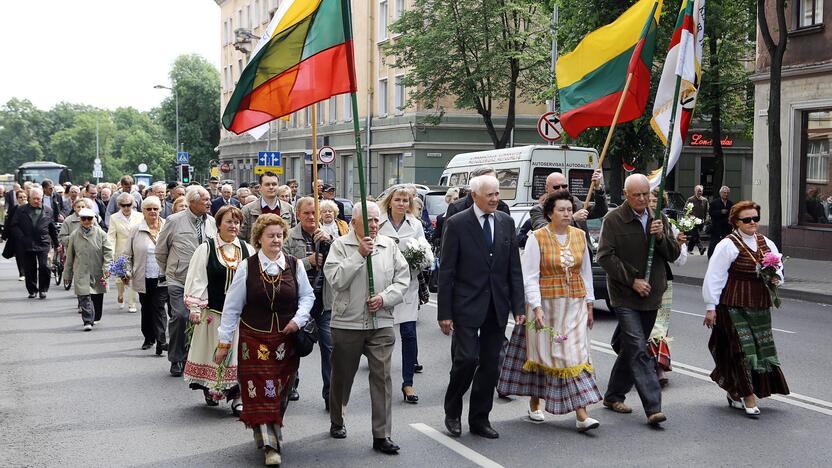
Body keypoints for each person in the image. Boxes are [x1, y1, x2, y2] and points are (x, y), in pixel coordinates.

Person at [214, 214, 314, 466]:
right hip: (253, 340)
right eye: (271, 236)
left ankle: (269, 431)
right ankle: (270, 444)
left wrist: (298, 320)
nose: (276, 240)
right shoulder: (247, 267)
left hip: (285, 340)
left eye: (280, 235)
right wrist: (224, 343)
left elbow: (307, 297)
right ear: (259, 238)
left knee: (281, 392)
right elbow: (232, 307)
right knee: (259, 393)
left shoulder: (294, 265)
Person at [497, 190, 601, 431]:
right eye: (561, 210)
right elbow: (530, 276)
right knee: (543, 356)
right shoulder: (537, 237)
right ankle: (535, 403)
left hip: (574, 304)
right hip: (546, 307)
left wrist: (590, 303)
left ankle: (582, 414)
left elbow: (585, 272)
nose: (567, 214)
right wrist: (536, 307)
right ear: (549, 214)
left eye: (569, 209)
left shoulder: (579, 236)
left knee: (573, 356)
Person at [438, 175, 525, 439]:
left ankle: (479, 419)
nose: (496, 199)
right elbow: (447, 271)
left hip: (497, 305)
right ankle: (452, 411)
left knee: (490, 365)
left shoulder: (506, 222)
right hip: (466, 304)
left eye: (498, 194)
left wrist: (518, 306)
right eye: (490, 195)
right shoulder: (456, 224)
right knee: (466, 359)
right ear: (475, 196)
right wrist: (444, 313)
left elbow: (513, 268)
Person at [323, 202, 410, 454]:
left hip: (380, 321)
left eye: (376, 221)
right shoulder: (340, 246)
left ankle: (382, 434)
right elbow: (337, 280)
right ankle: (337, 419)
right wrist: (359, 255)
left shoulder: (389, 245)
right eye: (369, 221)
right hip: (347, 323)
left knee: (382, 377)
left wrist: (385, 298)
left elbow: (402, 280)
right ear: (353, 223)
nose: (374, 226)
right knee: (342, 376)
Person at [595, 174, 680, 426]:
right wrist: (632, 280)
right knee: (639, 348)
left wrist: (662, 237)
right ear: (625, 194)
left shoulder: (659, 218)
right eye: (637, 195)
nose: (643, 199)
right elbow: (604, 256)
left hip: (652, 295)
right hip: (625, 296)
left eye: (646, 194)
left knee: (630, 348)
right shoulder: (613, 220)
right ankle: (653, 407)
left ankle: (612, 396)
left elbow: (673, 255)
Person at [702, 200, 789, 417]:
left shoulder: (766, 242)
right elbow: (714, 277)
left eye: (755, 219)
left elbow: (778, 268)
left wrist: (776, 278)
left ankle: (735, 391)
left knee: (759, 349)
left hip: (758, 304)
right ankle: (748, 396)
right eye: (746, 219)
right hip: (732, 304)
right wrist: (711, 307)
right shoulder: (727, 245)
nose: (752, 223)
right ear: (735, 222)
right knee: (741, 350)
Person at [183, 205, 253, 413]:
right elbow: (197, 278)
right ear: (219, 225)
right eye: (229, 222)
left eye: (236, 222)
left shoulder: (247, 249)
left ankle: (237, 396)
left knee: (239, 356)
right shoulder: (207, 248)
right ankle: (210, 388)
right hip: (215, 312)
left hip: (241, 316)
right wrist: (195, 307)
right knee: (214, 355)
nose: (233, 226)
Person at [156, 186, 217, 377]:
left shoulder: (212, 222)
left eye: (209, 199)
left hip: (203, 282)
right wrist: (171, 271)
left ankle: (196, 357)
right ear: (192, 202)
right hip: (178, 279)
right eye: (205, 200)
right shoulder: (174, 221)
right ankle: (176, 358)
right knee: (181, 316)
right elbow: (160, 251)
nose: (209, 203)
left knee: (204, 320)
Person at [377, 185, 427, 404]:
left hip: (408, 285)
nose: (401, 204)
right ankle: (380, 380)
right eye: (398, 199)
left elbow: (424, 250)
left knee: (408, 333)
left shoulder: (416, 225)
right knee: (382, 338)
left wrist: (418, 261)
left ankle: (407, 383)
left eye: (405, 200)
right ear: (390, 201)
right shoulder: (377, 222)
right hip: (383, 287)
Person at [284, 197, 335, 408]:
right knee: (293, 346)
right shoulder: (288, 237)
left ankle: (330, 395)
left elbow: (343, 264)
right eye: (306, 213)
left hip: (324, 301)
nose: (311, 217)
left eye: (315, 213)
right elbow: (283, 268)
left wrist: (330, 243)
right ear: (298, 214)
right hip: (298, 303)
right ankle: (290, 384)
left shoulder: (331, 235)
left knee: (330, 348)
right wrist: (308, 262)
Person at [646, 189, 688, 388]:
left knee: (660, 327)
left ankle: (659, 367)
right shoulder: (639, 222)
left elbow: (679, 261)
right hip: (642, 280)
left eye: (656, 200)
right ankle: (643, 366)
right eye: (650, 200)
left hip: (663, 280)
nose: (653, 203)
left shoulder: (668, 224)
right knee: (645, 327)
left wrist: (678, 244)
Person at [123, 196, 168, 355]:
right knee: (147, 309)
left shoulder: (167, 226)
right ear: (143, 211)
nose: (152, 212)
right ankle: (149, 337)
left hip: (163, 277)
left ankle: (161, 341)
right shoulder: (136, 230)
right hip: (143, 276)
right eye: (148, 209)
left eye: (155, 208)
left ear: (160, 209)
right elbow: (127, 254)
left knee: (159, 308)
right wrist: (126, 271)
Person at [65, 208, 113, 331]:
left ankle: (95, 316)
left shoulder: (101, 233)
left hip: (97, 270)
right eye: (83, 218)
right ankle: (87, 320)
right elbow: (70, 256)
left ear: (94, 219)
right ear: (80, 220)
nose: (86, 221)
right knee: (84, 296)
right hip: (81, 271)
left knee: (97, 295)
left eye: (89, 218)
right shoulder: (74, 235)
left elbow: (108, 252)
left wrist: (107, 267)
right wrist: (67, 274)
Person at [8, 187, 58, 299]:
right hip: (27, 243)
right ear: (29, 198)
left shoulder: (48, 210)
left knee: (44, 266)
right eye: (34, 199)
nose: (36, 201)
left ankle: (43, 289)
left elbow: (52, 228)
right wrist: (21, 237)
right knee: (30, 268)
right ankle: (32, 290)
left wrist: (56, 243)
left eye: (39, 199)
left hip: (43, 242)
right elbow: (14, 225)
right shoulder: (21, 210)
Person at [529, 170, 607, 231]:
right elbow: (542, 230)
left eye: (564, 186)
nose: (561, 190)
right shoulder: (539, 210)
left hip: (580, 249)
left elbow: (600, 211)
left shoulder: (575, 202)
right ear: (546, 188)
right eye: (556, 187)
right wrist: (573, 218)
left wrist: (598, 188)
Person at [108, 192, 143, 312]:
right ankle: (120, 294)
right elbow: (111, 236)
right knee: (120, 278)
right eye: (123, 205)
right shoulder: (114, 218)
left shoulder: (140, 216)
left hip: (136, 250)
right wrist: (111, 252)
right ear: (119, 205)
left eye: (129, 205)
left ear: (133, 204)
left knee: (132, 277)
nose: (126, 207)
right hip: (121, 251)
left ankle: (132, 303)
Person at [240, 171, 295, 243]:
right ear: (260, 187)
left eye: (274, 184)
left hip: (282, 252)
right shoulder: (247, 210)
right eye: (267, 184)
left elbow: (293, 236)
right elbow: (241, 238)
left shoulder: (288, 209)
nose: (271, 187)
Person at [444, 167, 511, 219]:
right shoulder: (457, 208)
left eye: (494, 180)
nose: (491, 184)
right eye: (486, 181)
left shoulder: (502, 208)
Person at [2, 189, 29, 281]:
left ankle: (29, 271)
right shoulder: (14, 208)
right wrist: (4, 236)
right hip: (17, 237)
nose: (23, 199)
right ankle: (22, 273)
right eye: (20, 197)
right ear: (17, 199)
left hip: (29, 235)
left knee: (29, 254)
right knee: (19, 254)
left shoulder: (31, 208)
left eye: (24, 197)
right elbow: (8, 222)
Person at [707, 186, 734, 258]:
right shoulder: (714, 203)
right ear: (720, 193)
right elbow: (711, 213)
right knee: (714, 242)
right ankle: (710, 256)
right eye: (724, 193)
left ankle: (725, 257)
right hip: (716, 226)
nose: (726, 194)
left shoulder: (731, 203)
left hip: (727, 227)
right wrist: (720, 212)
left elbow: (733, 213)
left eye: (727, 193)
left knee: (726, 242)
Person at [686, 185, 709, 254]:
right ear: (695, 191)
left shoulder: (705, 200)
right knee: (696, 235)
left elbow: (707, 211)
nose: (699, 192)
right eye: (698, 191)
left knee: (694, 236)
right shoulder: (690, 199)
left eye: (701, 191)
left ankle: (689, 249)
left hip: (701, 221)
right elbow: (685, 210)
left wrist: (706, 219)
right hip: (692, 221)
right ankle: (701, 248)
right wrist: (690, 216)